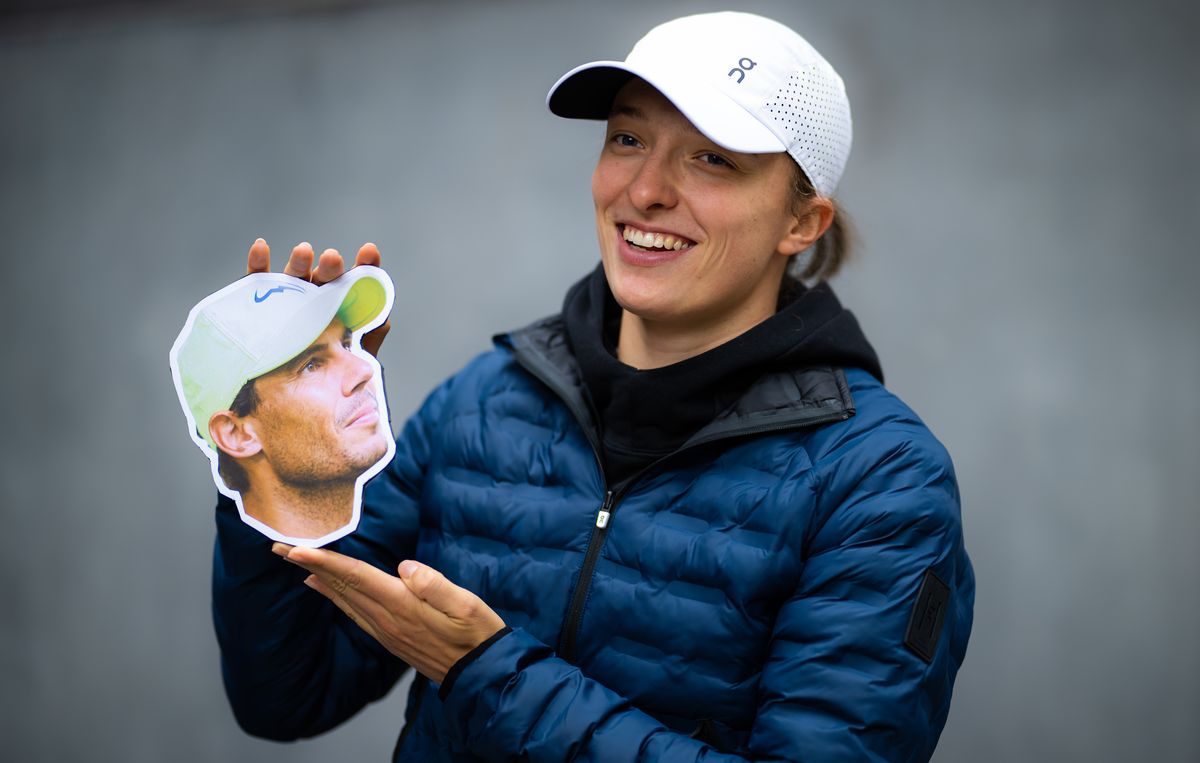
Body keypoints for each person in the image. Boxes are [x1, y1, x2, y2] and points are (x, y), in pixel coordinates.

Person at [212, 11, 974, 761]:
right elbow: (289, 694)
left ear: (801, 222)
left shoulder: (881, 480)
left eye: (712, 158)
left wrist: (489, 674)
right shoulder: (481, 404)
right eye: (628, 139)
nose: (645, 190)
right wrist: (277, 453)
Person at [172, 264, 394, 545]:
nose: (364, 369)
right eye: (311, 365)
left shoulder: (409, 516)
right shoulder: (253, 573)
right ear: (236, 433)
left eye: (347, 345)